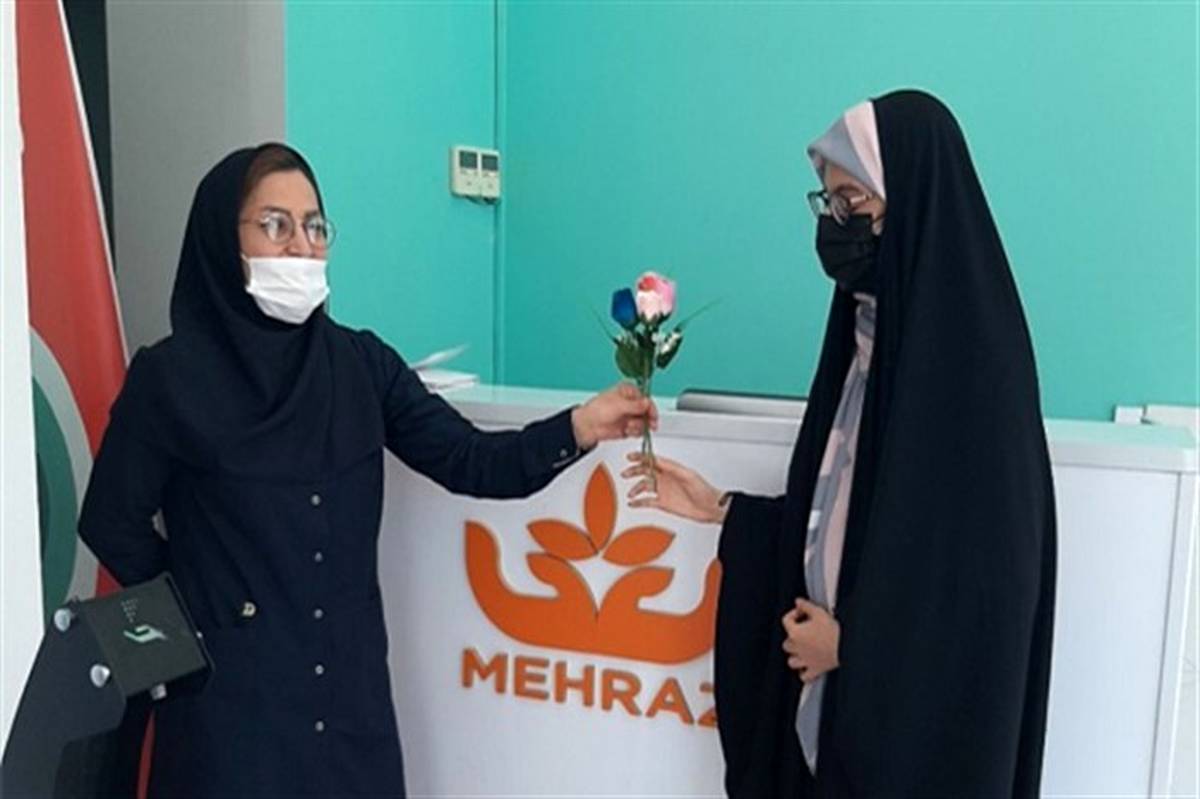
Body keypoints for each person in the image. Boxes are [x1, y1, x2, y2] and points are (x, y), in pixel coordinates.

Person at [78, 143, 657, 798]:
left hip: (347, 707)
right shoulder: (170, 379)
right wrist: (197, 610)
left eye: (314, 226)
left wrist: (578, 426)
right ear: (222, 240)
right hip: (229, 715)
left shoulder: (359, 365)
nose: (301, 246)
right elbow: (109, 520)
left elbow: (470, 459)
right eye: (274, 224)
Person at [624, 90, 1056, 798]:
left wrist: (855, 649)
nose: (836, 225)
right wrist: (723, 509)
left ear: (912, 203)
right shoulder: (864, 338)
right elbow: (847, 516)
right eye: (828, 204)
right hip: (835, 716)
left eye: (853, 203)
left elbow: (982, 595)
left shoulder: (976, 369)